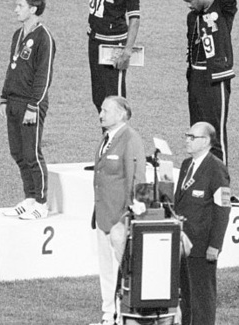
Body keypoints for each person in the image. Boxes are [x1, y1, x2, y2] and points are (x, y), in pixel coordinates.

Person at [0, 0, 56, 220]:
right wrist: (4, 97)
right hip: (13, 101)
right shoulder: (18, 34)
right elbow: (11, 67)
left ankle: (42, 204)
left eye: (20, 6)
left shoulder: (44, 38)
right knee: (18, 153)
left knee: (32, 153)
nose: (15, 9)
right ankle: (29, 197)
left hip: (30, 105)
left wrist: (34, 106)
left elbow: (44, 76)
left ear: (33, 9)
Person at [180, 0, 237, 165]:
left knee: (215, 132)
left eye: (190, 0)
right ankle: (201, 177)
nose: (188, 6)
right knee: (197, 130)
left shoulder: (222, 9)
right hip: (195, 78)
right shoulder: (192, 17)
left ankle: (221, 184)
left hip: (215, 79)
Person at [90, 96, 146, 325]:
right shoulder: (107, 138)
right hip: (103, 216)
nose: (100, 114)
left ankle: (122, 315)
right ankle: (108, 315)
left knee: (122, 271)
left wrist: (129, 216)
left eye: (105, 110)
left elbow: (137, 179)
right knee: (106, 269)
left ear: (121, 114)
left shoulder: (130, 139)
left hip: (120, 219)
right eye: (101, 110)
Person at [174, 122, 231, 325]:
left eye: (192, 137)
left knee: (202, 299)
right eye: (187, 135)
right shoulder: (186, 165)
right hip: (182, 244)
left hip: (202, 245)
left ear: (206, 141)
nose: (187, 140)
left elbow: (223, 209)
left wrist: (215, 245)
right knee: (185, 297)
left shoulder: (216, 169)